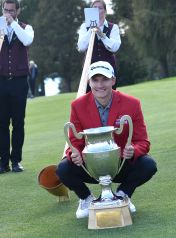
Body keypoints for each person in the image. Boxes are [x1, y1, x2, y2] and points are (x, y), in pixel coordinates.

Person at [56, 61, 157, 219]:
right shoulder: (77, 106)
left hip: (121, 163)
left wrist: (134, 150)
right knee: (63, 169)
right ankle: (86, 199)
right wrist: (73, 154)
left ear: (113, 81)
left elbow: (143, 142)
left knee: (148, 165)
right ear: (89, 82)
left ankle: (122, 195)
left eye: (105, 79)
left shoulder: (132, 104)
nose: (100, 85)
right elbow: (74, 143)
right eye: (95, 80)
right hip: (91, 167)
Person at [0, 0, 34, 175]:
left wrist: (12, 24)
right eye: (6, 10)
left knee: (18, 123)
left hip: (20, 82)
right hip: (1, 81)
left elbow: (27, 41)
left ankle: (16, 161)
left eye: (11, 10)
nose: (8, 13)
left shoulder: (26, 27)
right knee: (2, 124)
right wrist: (0, 29)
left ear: (18, 11)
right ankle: (3, 162)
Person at [77, 0, 121, 90]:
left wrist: (102, 35)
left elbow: (115, 48)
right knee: (90, 95)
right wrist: (91, 29)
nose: (97, 10)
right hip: (90, 68)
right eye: (94, 8)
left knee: (110, 94)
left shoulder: (113, 27)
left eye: (100, 8)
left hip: (108, 67)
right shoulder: (84, 27)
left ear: (105, 11)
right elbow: (81, 47)